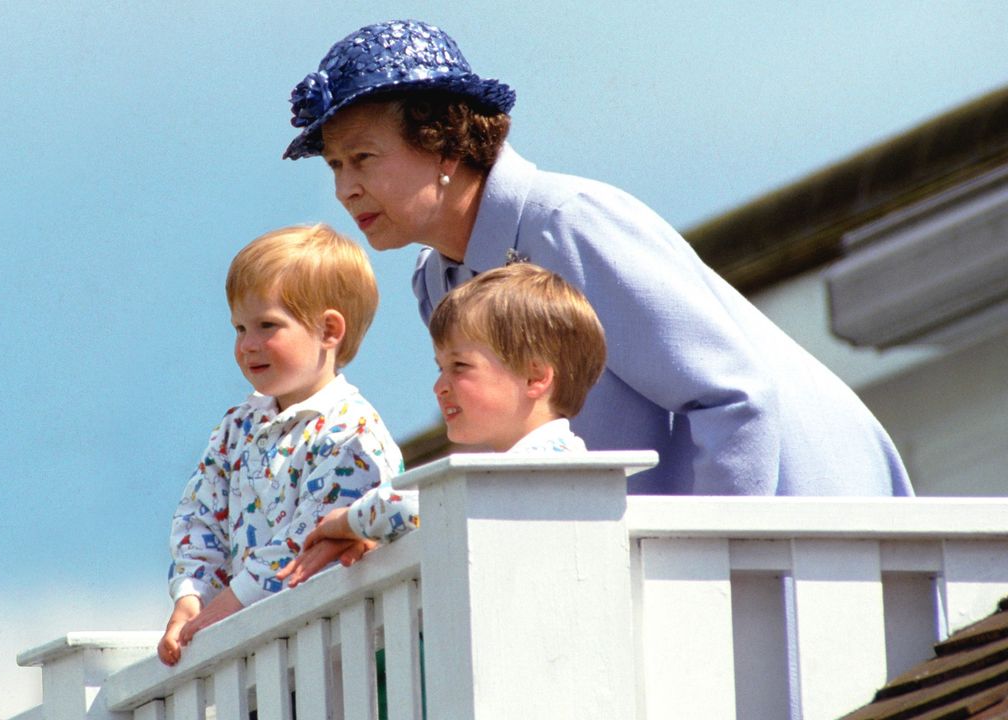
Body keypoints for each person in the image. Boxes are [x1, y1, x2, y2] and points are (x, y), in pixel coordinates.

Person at [281, 19, 913, 497]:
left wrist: (700, 576)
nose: (344, 189)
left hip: (811, 529)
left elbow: (733, 398)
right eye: (336, 165)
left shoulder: (567, 222)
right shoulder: (438, 278)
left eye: (363, 158)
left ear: (443, 143)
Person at [158, 224, 404, 666]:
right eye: (239, 328)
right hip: (256, 656)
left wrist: (228, 605)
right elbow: (199, 513)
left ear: (330, 330)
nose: (247, 345)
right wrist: (192, 596)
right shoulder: (238, 427)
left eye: (267, 325)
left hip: (337, 652)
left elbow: (310, 536)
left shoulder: (351, 432)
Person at [277, 262, 607, 587]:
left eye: (460, 366)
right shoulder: (525, 470)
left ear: (535, 377)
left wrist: (347, 522)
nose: (440, 387)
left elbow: (422, 505)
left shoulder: (545, 464)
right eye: (440, 369)